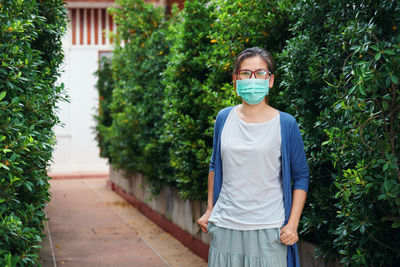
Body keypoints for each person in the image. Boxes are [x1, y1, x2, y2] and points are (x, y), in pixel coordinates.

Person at [197, 47, 309, 267]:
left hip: (269, 230)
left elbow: (301, 177)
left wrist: (293, 223)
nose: (252, 79)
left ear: (270, 80)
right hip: (225, 226)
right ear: (235, 80)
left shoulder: (286, 124)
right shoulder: (223, 118)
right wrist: (210, 209)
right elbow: (214, 165)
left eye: (260, 73)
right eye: (245, 73)